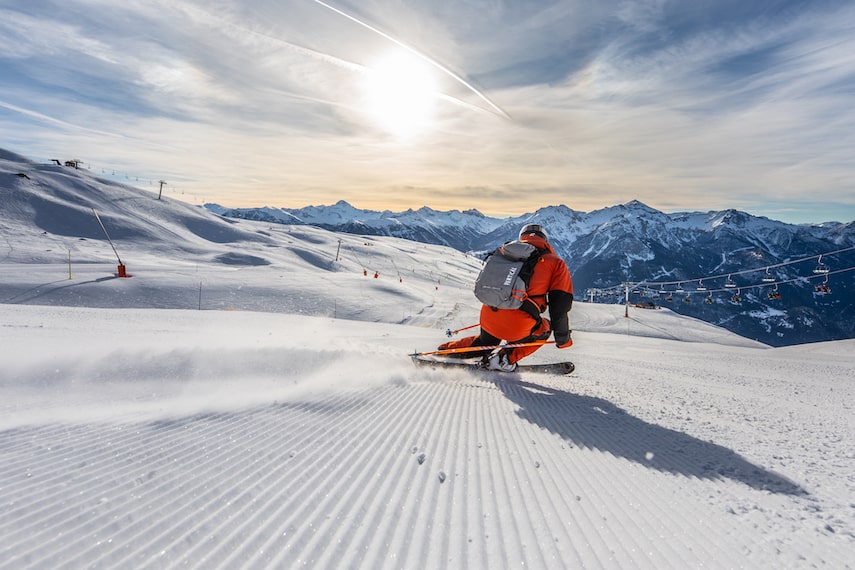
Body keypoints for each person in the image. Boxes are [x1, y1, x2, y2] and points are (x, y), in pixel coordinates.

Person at [438, 223, 574, 371]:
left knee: (486, 341)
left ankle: (444, 351)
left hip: (489, 314)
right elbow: (559, 306)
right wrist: (563, 338)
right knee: (544, 329)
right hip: (519, 324)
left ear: (522, 238)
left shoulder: (505, 254)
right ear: (545, 240)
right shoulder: (555, 263)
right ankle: (505, 358)